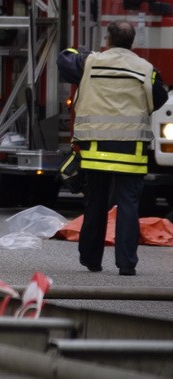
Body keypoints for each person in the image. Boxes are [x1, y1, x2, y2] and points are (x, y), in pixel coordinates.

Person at [58, 20, 168, 276]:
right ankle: (127, 264)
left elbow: (65, 58)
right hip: (132, 151)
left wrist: (83, 52)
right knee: (128, 204)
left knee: (95, 202)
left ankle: (91, 260)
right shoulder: (146, 69)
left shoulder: (91, 62)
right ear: (132, 42)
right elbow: (159, 99)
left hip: (95, 150)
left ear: (107, 39)